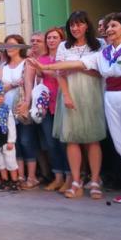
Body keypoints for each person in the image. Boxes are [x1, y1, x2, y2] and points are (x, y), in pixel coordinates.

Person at [35, 12, 121, 208]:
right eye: (108, 27)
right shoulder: (104, 53)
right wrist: (45, 66)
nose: (109, 29)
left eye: (114, 25)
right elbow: (77, 63)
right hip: (111, 97)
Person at [51, 11, 105, 199]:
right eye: (72, 25)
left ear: (87, 26)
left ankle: (95, 180)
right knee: (72, 138)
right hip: (70, 92)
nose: (75, 28)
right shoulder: (63, 47)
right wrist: (66, 95)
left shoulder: (99, 45)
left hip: (92, 93)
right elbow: (59, 72)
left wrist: (75, 66)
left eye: (79, 24)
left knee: (93, 138)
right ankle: (76, 181)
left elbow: (102, 72)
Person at [23, 27, 70, 192]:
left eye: (54, 38)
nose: (51, 41)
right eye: (48, 38)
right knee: (51, 142)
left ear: (61, 39)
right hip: (45, 104)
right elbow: (32, 80)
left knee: (65, 142)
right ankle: (58, 177)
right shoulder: (40, 59)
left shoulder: (65, 57)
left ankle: (70, 177)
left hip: (62, 101)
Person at [0, 35, 39, 189]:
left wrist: (27, 103)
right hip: (6, 110)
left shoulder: (26, 63)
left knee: (26, 141)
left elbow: (29, 84)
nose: (9, 48)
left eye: (12, 45)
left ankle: (32, 176)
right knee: (14, 143)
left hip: (21, 107)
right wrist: (13, 84)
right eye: (7, 45)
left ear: (20, 47)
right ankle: (20, 175)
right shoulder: (3, 66)